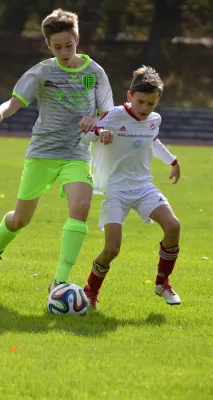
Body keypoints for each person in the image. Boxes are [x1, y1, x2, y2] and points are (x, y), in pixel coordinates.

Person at [0, 8, 114, 292]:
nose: (64, 52)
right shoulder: (42, 72)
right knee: (20, 220)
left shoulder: (93, 73)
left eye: (69, 45)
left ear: (78, 38)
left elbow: (106, 111)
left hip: (76, 154)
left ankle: (60, 281)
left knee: (81, 207)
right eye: (57, 47)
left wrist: (96, 119)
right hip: (42, 153)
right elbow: (14, 101)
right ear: (48, 45)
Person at [81, 65, 181, 309]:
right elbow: (87, 133)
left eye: (151, 104)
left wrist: (172, 161)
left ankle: (162, 282)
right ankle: (90, 291)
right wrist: (101, 130)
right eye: (140, 102)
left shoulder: (153, 119)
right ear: (129, 97)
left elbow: (152, 140)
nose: (144, 109)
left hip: (144, 187)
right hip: (116, 191)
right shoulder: (113, 115)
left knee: (173, 226)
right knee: (112, 249)